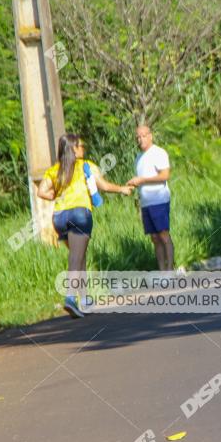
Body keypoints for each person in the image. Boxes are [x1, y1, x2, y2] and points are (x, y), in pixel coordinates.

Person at [37, 133, 132, 318]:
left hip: (59, 217)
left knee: (79, 257)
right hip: (80, 213)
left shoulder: (55, 170)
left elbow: (42, 192)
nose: (83, 149)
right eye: (81, 146)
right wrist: (122, 189)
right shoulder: (85, 165)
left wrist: (56, 196)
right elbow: (103, 185)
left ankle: (85, 299)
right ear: (73, 148)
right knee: (75, 257)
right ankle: (70, 298)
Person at [127, 125, 174, 271]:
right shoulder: (138, 158)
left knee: (163, 235)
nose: (141, 139)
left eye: (143, 135)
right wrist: (133, 185)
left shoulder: (158, 153)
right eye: (138, 137)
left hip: (159, 200)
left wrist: (142, 180)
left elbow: (164, 176)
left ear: (150, 136)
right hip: (146, 203)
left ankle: (170, 269)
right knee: (154, 238)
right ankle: (161, 270)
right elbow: (141, 180)